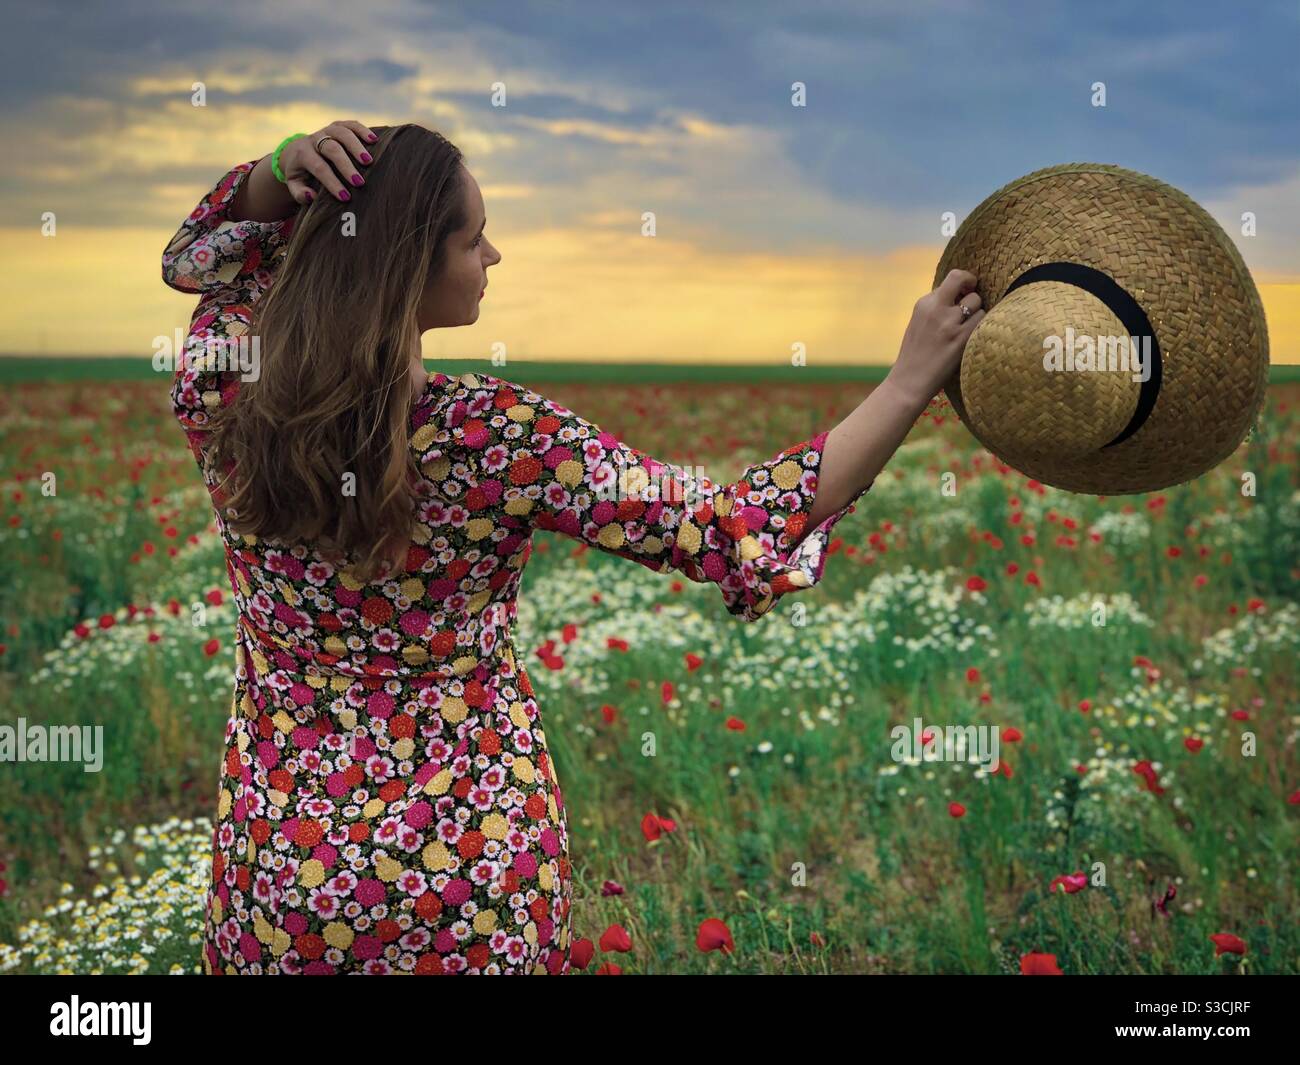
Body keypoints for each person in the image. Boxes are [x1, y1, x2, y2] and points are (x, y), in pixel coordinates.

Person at [161, 120, 984, 975]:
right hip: (475, 872)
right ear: (408, 263)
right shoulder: (500, 434)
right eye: (475, 239)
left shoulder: (225, 391)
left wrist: (277, 170)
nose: (496, 257)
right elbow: (735, 529)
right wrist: (909, 380)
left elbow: (200, 259)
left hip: (285, 866)